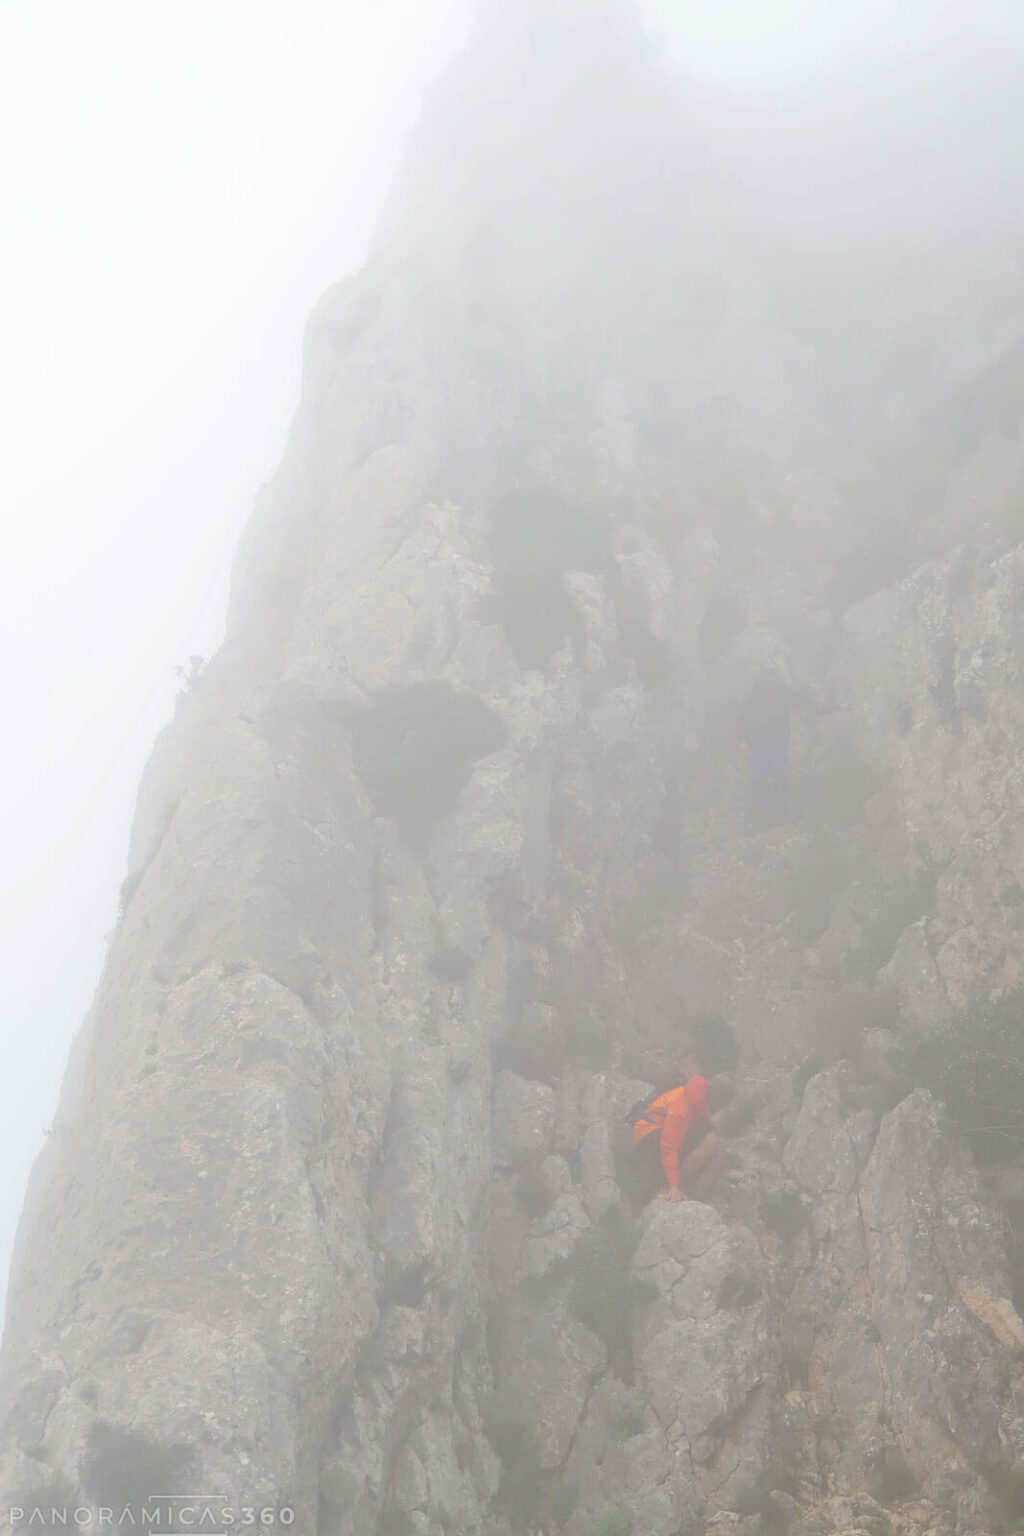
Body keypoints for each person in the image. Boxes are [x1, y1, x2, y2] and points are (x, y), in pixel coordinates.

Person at [738, 661, 840, 829]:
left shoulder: (784, 693)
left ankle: (779, 817)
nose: (770, 678)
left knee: (779, 777)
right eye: (767, 674)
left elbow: (810, 706)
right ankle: (759, 819)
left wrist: (836, 707)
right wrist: (742, 739)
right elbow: (742, 718)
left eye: (773, 674)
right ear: (762, 676)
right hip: (757, 745)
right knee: (758, 781)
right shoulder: (753, 696)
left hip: (778, 744)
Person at [629, 1076, 728, 1203]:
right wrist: (673, 1185)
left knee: (718, 1152)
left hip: (664, 1136)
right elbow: (668, 1147)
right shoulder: (680, 1108)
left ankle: (696, 1197)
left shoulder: (698, 1102)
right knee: (711, 1141)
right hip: (648, 1135)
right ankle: (671, 1186)